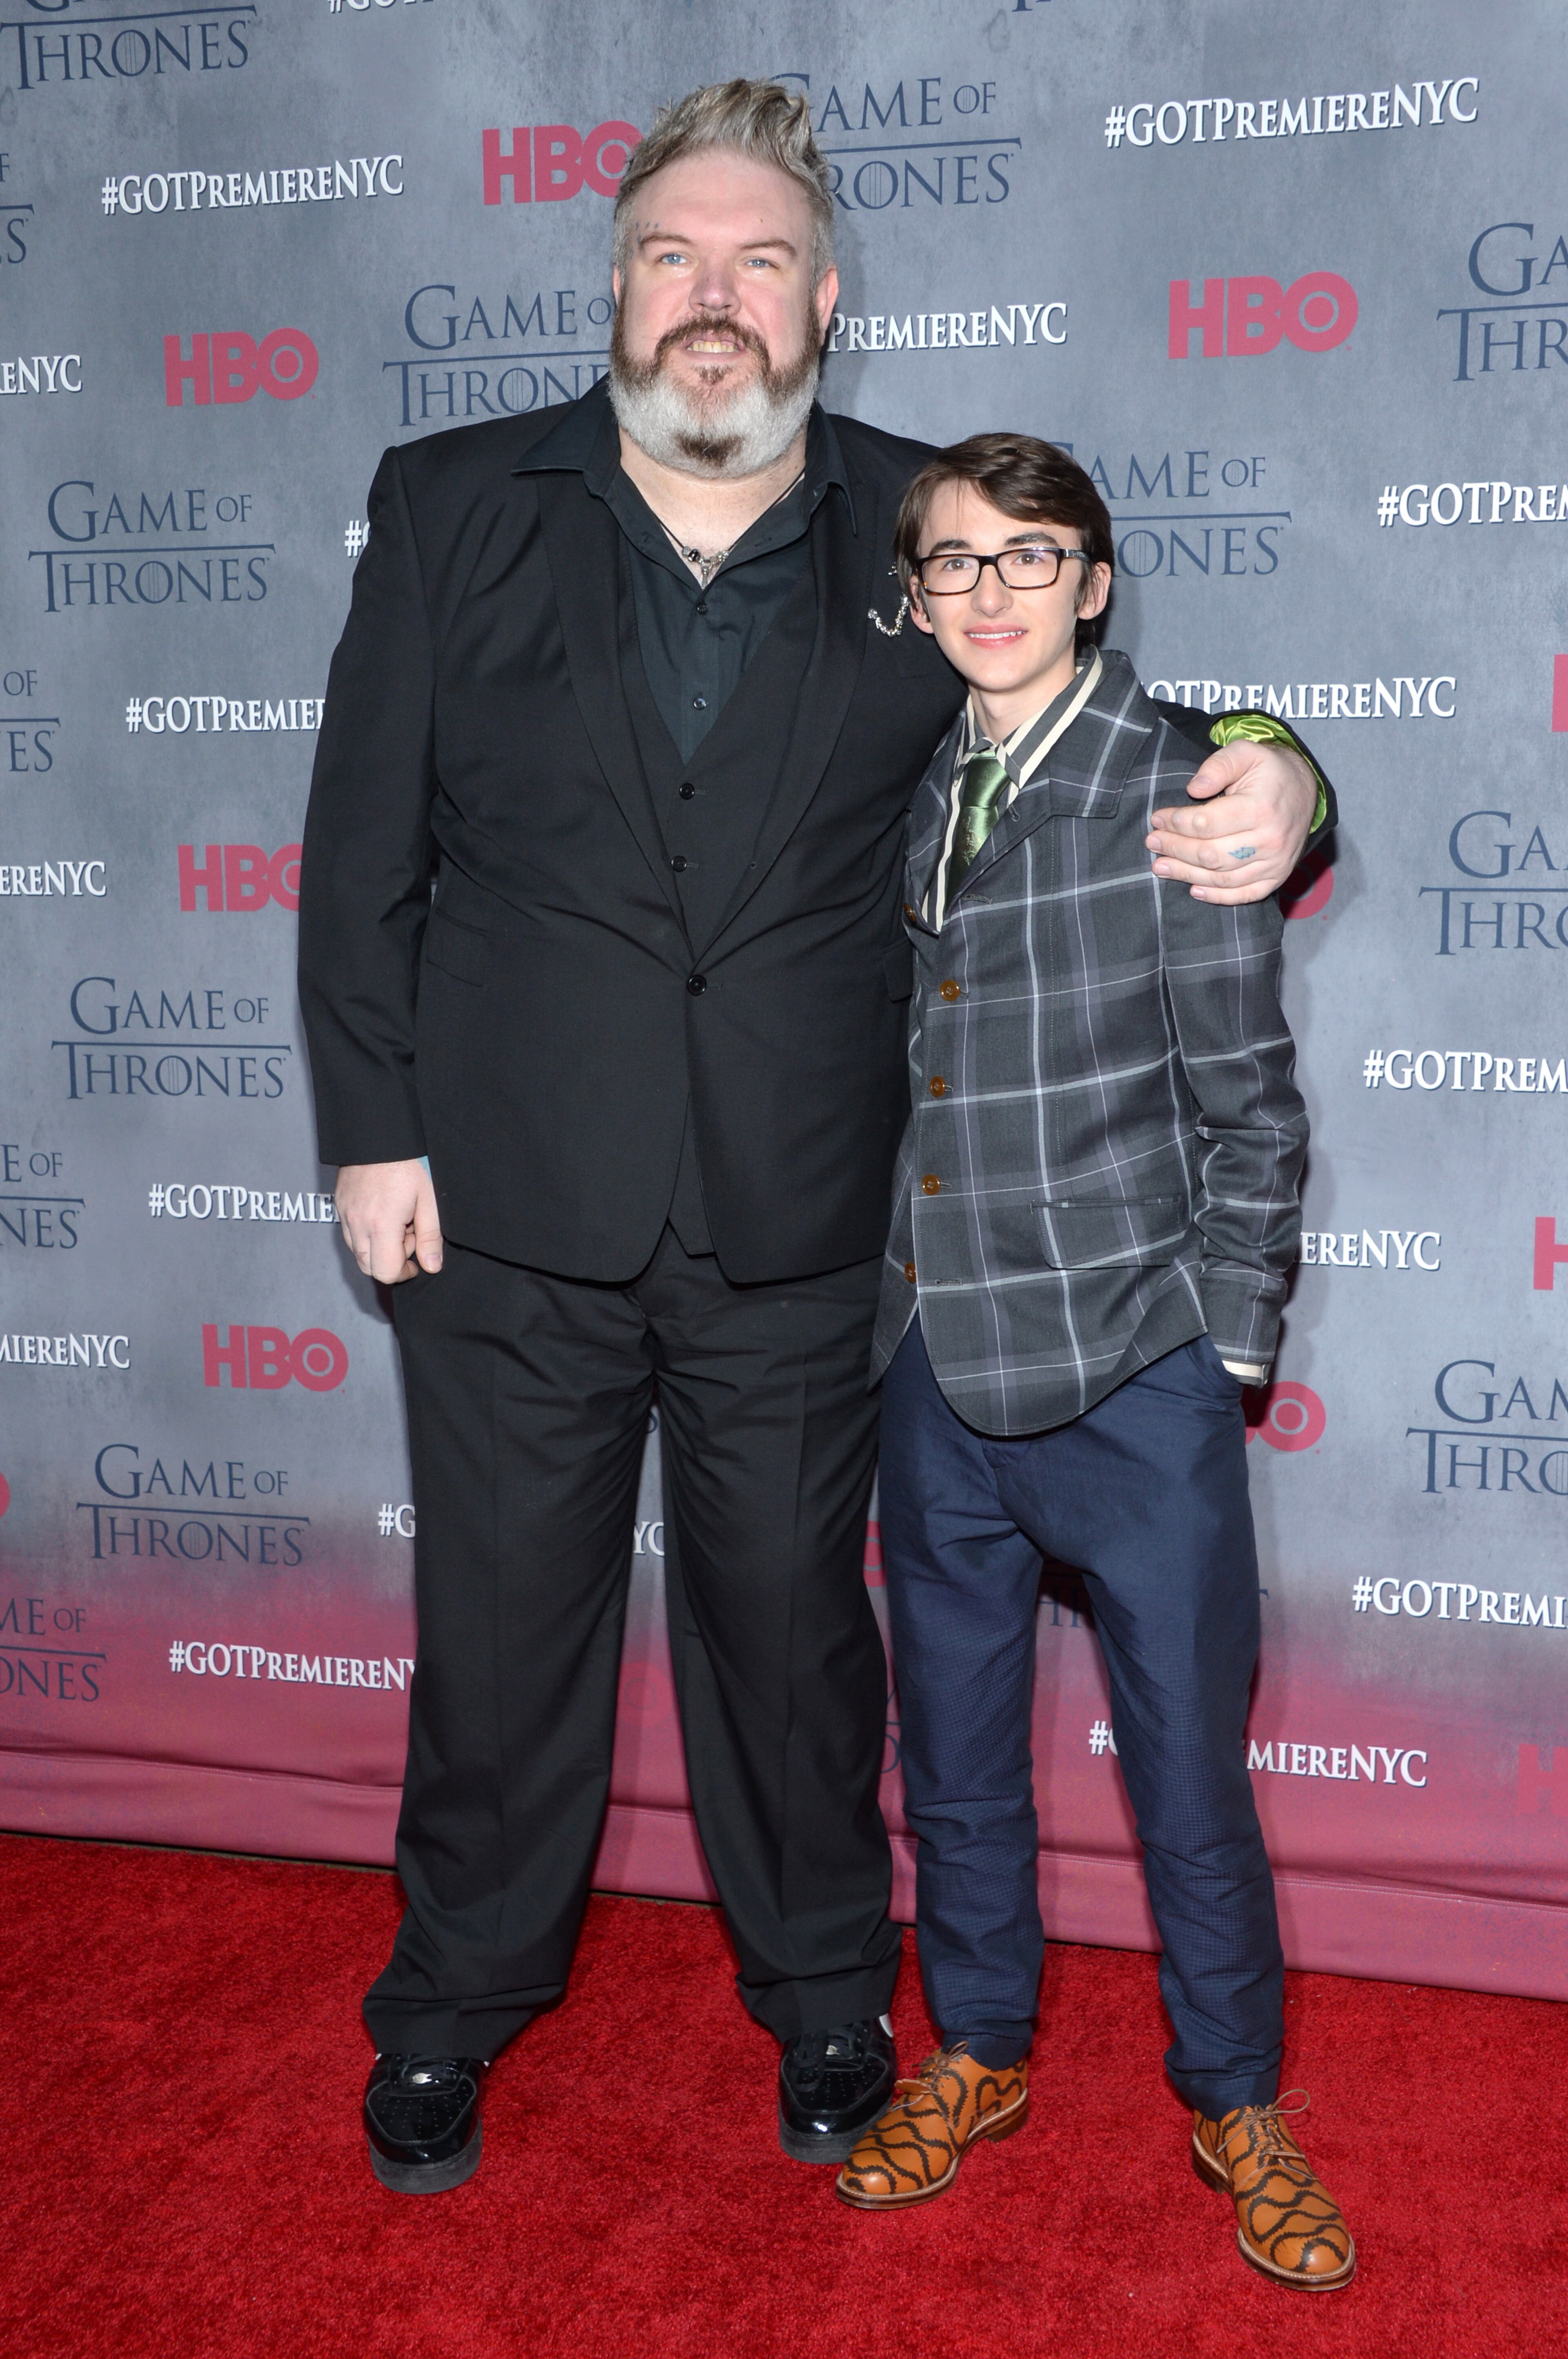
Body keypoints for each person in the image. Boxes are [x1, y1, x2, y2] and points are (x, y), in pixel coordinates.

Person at [297, 80, 1331, 2196]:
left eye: (760, 258)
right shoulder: (448, 501)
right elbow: (355, 860)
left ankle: (832, 2004)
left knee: (791, 1640)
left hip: (812, 1220)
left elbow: (1112, 719)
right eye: (675, 252)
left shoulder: (908, 528)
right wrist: (371, 1130)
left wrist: (1292, 775)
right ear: (616, 283)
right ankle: (452, 2009)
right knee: (502, 1644)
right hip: (500, 1210)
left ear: (826, 299)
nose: (715, 296)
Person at [833, 435, 1353, 2292]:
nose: (988, 593)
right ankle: (976, 2052)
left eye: (1028, 558)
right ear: (917, 594)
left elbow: (1253, 1116)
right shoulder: (925, 786)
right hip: (935, 1367)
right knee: (957, 1761)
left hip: (1137, 1371)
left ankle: (1236, 2095)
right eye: (953, 564)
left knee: (1187, 1774)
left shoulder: (1186, 785)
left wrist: (1218, 1359)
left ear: (1099, 582)